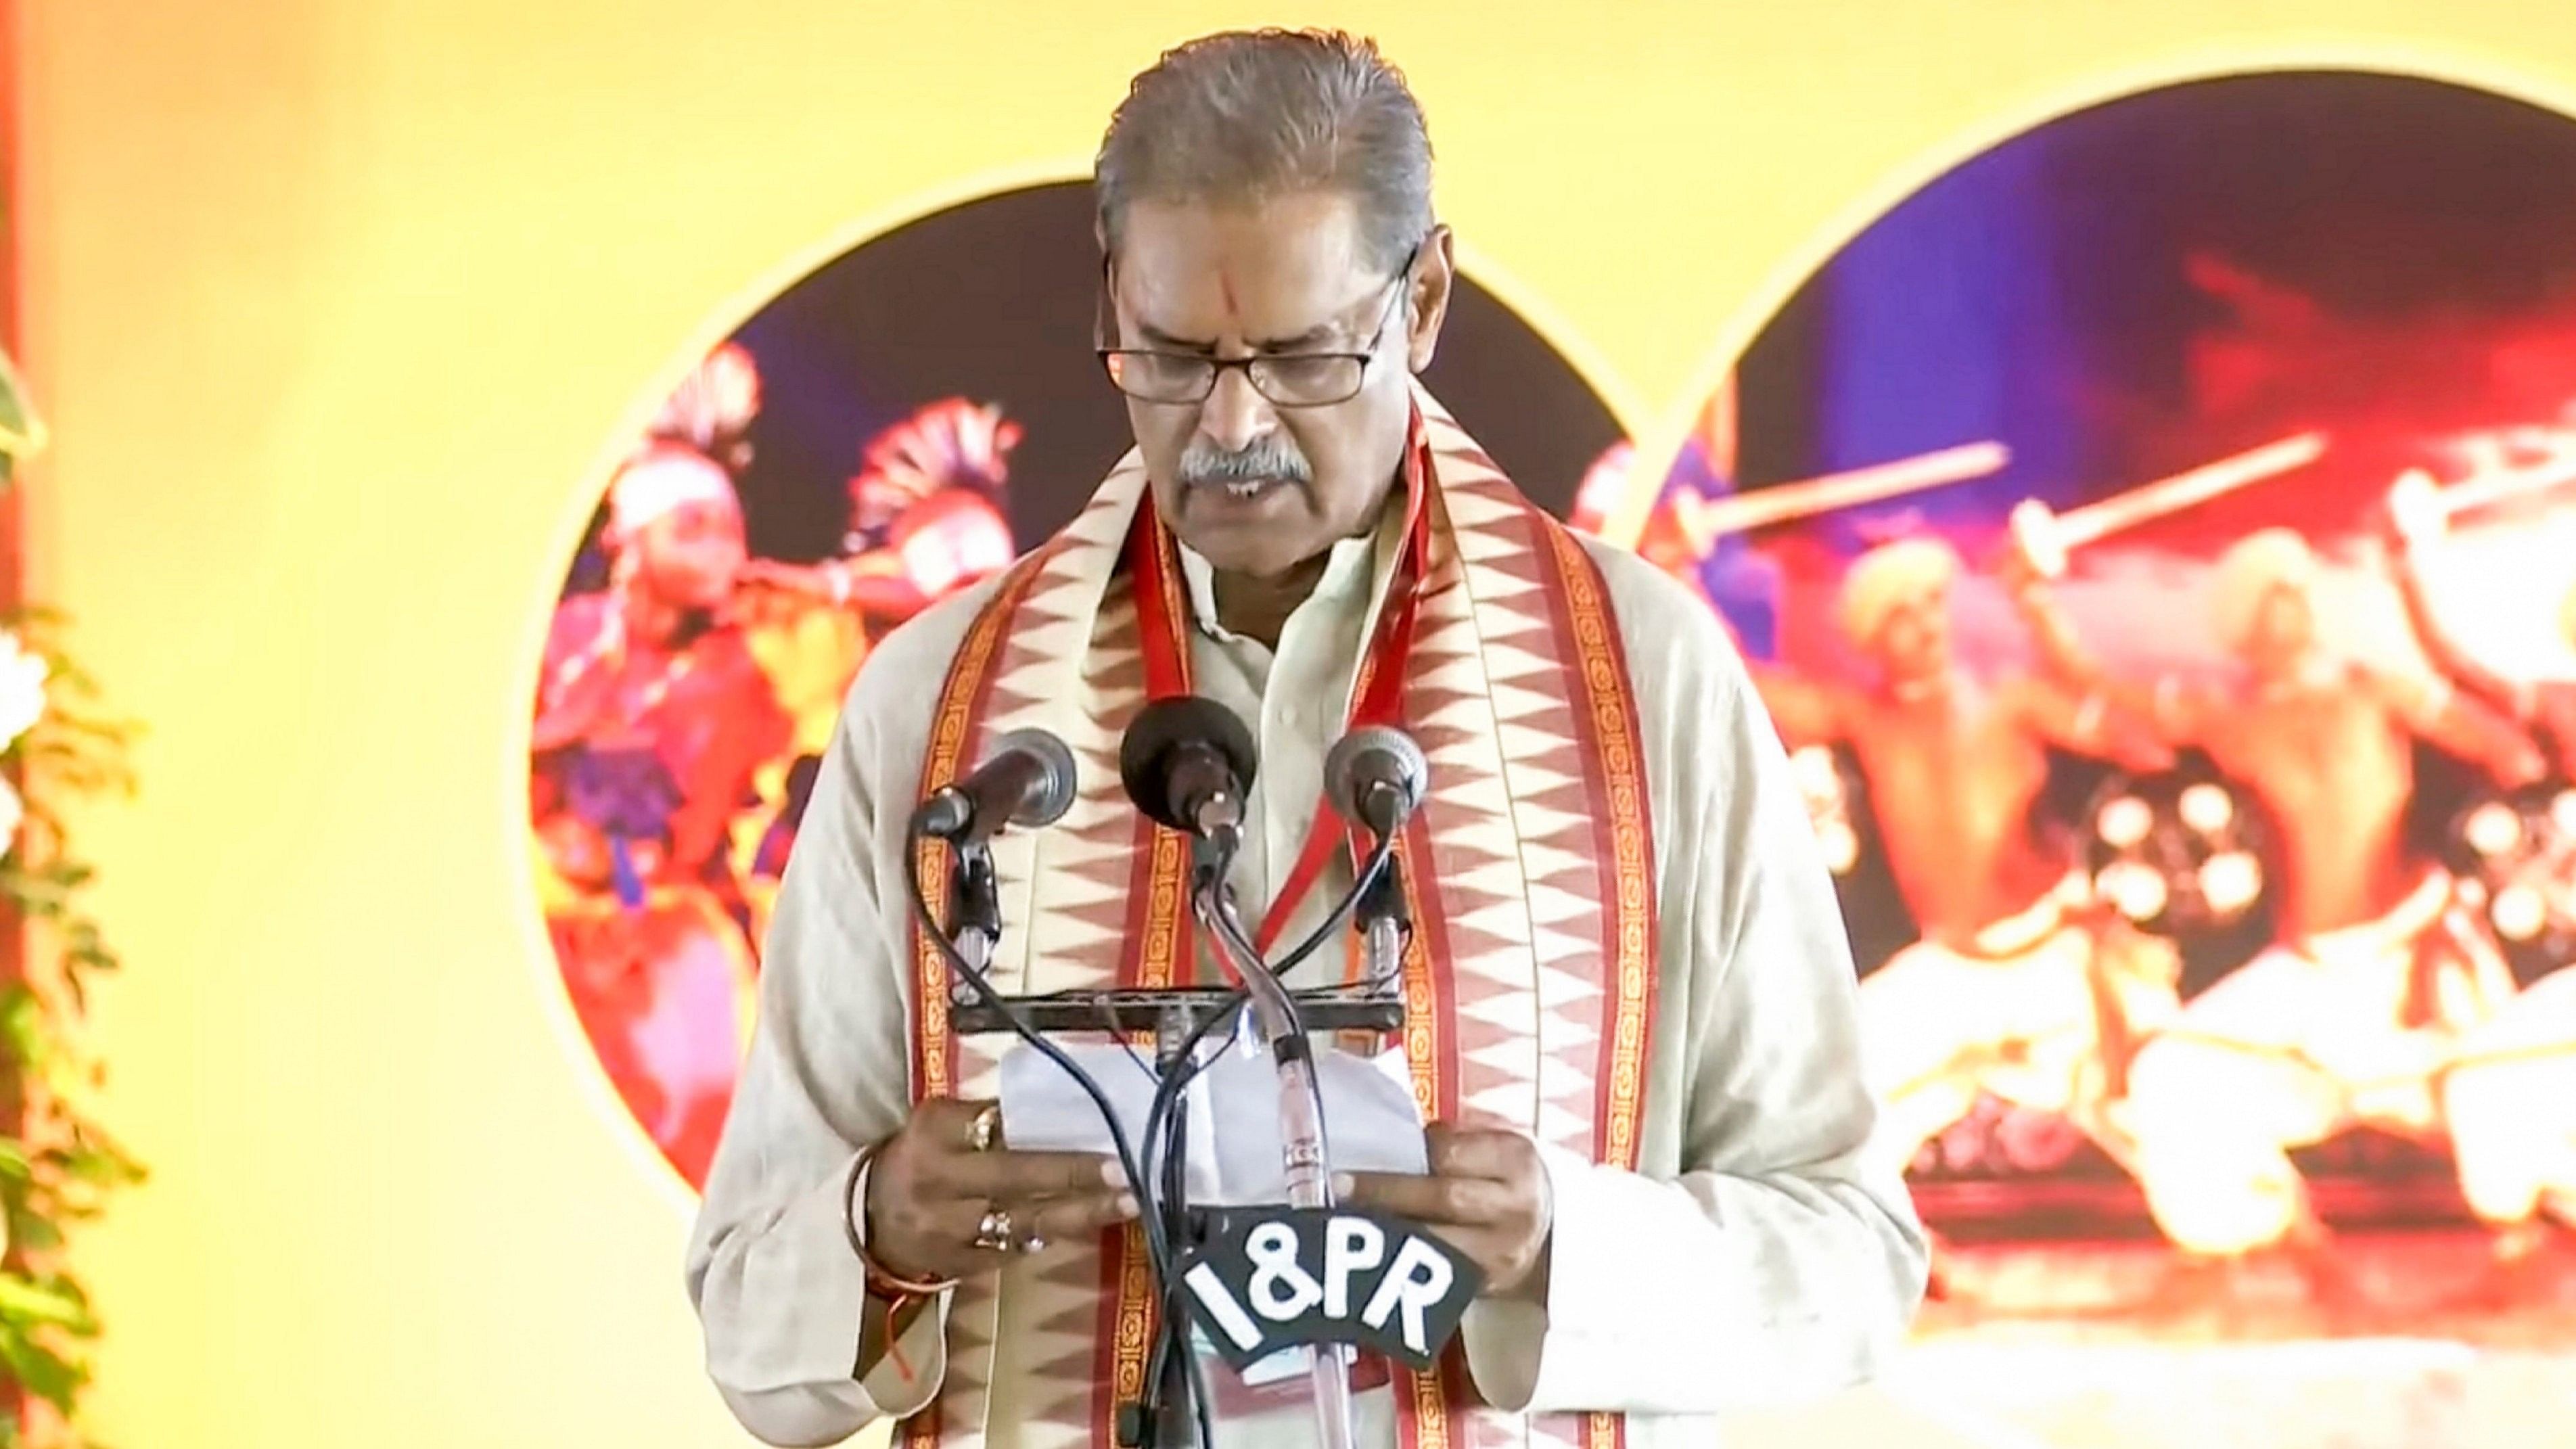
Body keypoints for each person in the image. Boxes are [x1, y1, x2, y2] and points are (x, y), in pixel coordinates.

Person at [687, 29, 1925, 1449]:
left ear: (1426, 301)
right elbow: (741, 1313)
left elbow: (1848, 1257)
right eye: (1167, 356)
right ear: (1109, 298)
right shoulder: (938, 703)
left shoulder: (1644, 683)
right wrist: (879, 1232)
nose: (1228, 425)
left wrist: (1559, 1243)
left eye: (1297, 359)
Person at [2022, 526, 2544, 1285]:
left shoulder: (2374, 688)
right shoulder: (2226, 719)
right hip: (2304, 973)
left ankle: (2527, 1250)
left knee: (2497, 1095)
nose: (2297, 599)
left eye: (2300, 585)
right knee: (2173, 1074)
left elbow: (2511, 757)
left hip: (2417, 949)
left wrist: (2485, 868)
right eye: (2277, 591)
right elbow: (2091, 681)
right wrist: (2030, 598)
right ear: (2245, 624)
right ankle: (2282, 1235)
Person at [1743, 538, 2183, 1243]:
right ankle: (1878, 1249)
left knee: (2163, 1096)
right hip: (1952, 967)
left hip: (2056, 954)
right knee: (1828, 1103)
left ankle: (2261, 1246)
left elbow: (2143, 748)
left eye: (1932, 604)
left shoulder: (2011, 697)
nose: (1926, 622)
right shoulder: (1867, 717)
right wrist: (1669, 568)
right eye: (1902, 614)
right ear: (1873, 638)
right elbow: (1746, 684)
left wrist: (2037, 607)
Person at [532, 443, 792, 1184]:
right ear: (629, 543)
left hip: (675, 952)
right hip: (541, 929)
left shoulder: (752, 667)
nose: (722, 549)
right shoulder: (559, 643)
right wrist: (558, 740)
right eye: (692, 526)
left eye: (729, 527)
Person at [2385, 489, 2576, 1276]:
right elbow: (2456, 662)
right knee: (2485, 1080)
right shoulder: (2560, 703)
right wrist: (2414, 560)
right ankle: (2524, 1247)